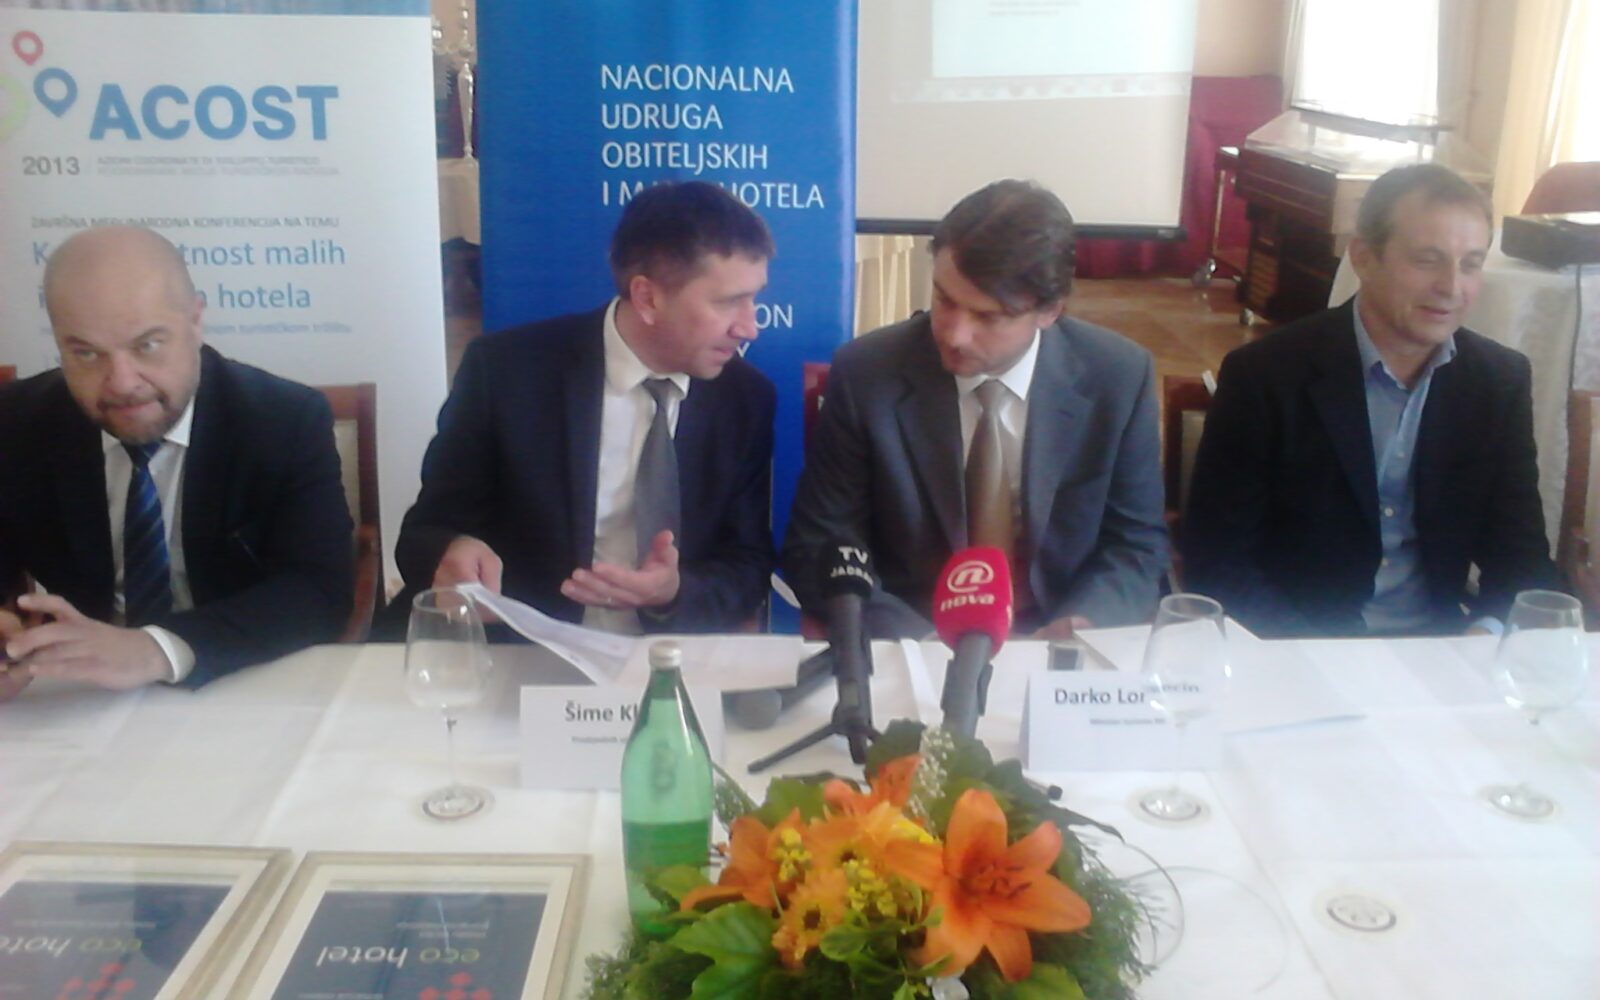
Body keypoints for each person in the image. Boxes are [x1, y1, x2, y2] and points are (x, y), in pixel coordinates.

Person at [1184, 163, 1559, 637]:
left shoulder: (1497, 381)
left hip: (1438, 649)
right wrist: (1323, 659)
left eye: (1470, 264)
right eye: (1427, 260)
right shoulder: (1265, 376)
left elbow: (1522, 558)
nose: (1451, 287)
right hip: (1297, 646)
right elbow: (1217, 563)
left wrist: (1484, 636)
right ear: (1363, 257)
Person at [783, 179, 1167, 637]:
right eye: (944, 300)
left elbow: (1136, 545)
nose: (954, 334)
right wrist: (924, 643)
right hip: (916, 636)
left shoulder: (1117, 377)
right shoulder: (867, 374)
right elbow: (820, 544)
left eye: (988, 316)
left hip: (1056, 638)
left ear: (1050, 311)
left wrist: (1081, 625)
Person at [394, 181, 776, 633]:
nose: (750, 328)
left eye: (754, 298)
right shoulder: (506, 373)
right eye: (729, 302)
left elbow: (748, 566)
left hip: (666, 649)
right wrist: (453, 552)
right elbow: (425, 532)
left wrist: (673, 591)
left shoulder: (745, 400)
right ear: (648, 298)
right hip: (523, 645)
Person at [0, 226, 353, 700]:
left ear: (195, 321)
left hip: (238, 680)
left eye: (147, 345)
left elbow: (318, 590)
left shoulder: (282, 420)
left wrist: (155, 649)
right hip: (83, 695)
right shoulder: (17, 423)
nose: (122, 382)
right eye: (86, 353)